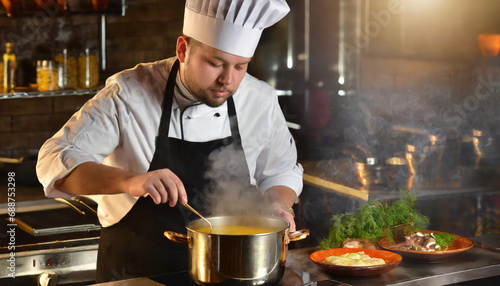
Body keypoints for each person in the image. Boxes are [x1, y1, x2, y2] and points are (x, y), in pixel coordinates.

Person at [36, 0, 303, 282]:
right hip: (136, 271)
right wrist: (131, 181)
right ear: (183, 50)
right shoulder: (128, 94)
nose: (228, 79)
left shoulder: (259, 99)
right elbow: (54, 159)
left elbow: (280, 170)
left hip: (228, 271)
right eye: (215, 63)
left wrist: (279, 206)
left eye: (241, 66)